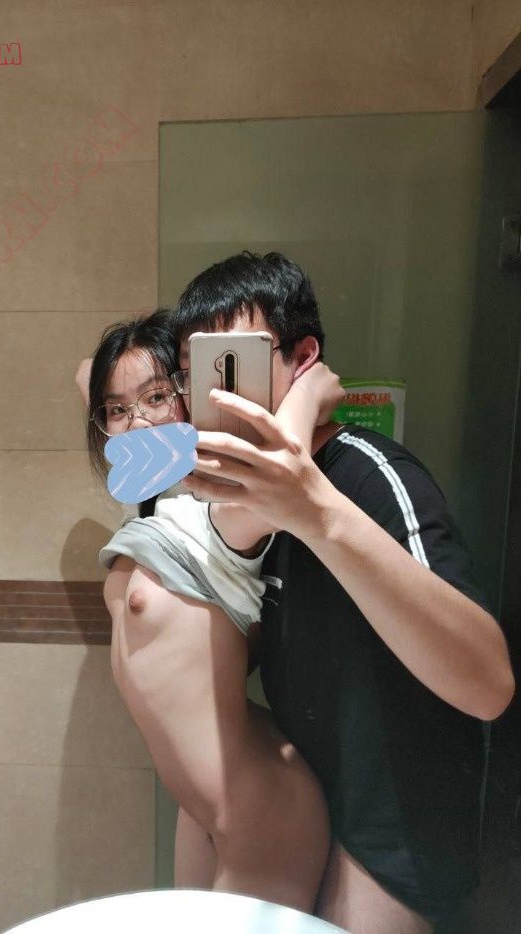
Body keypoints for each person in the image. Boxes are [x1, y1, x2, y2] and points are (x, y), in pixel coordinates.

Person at [168, 250, 516, 933]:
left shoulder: (368, 476)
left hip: (396, 835)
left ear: (302, 359)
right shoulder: (225, 501)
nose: (214, 392)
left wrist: (315, 513)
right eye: (196, 369)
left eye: (234, 361)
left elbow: (489, 684)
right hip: (303, 801)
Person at [75, 309, 345, 911]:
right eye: (117, 410)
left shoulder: (227, 511)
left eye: (156, 398)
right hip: (202, 808)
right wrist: (146, 384)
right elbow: (87, 373)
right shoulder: (160, 503)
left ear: (191, 396)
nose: (136, 422)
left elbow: (285, 469)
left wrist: (309, 392)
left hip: (262, 815)